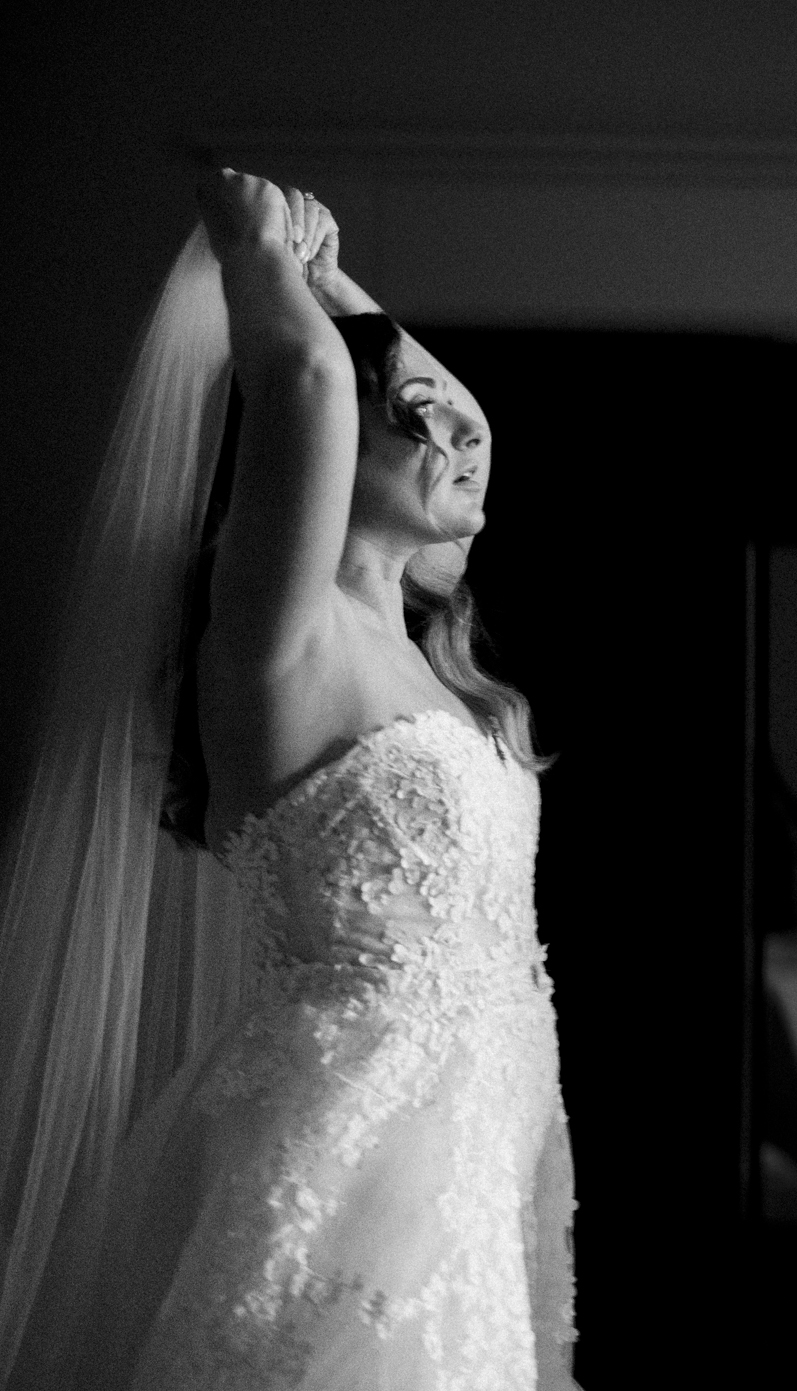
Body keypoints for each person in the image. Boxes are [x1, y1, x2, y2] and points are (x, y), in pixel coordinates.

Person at [0, 172, 576, 1388]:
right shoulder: (281, 634)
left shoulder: (431, 677)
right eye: (420, 414)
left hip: (467, 1152)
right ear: (310, 454)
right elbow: (313, 378)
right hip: (347, 1147)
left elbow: (426, 399)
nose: (465, 431)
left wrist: (336, 289)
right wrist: (263, 256)